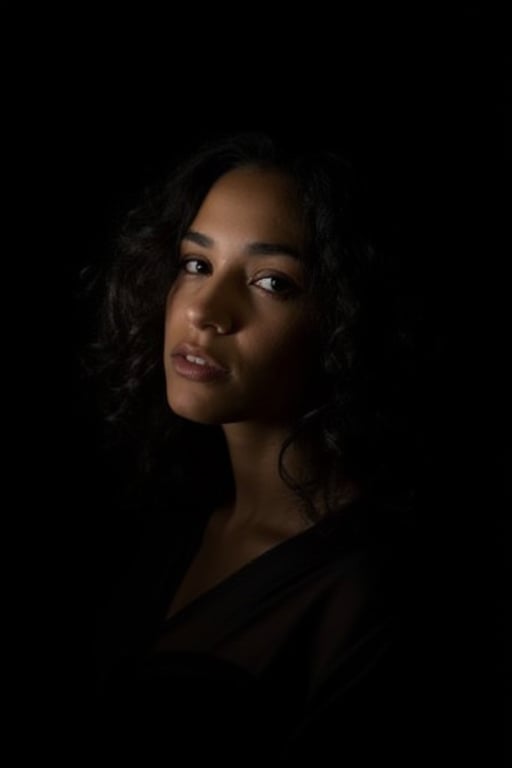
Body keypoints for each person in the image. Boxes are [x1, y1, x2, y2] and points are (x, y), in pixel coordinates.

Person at [88, 131, 471, 764]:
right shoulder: (154, 520)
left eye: (272, 281)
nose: (207, 311)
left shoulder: (374, 591)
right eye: (195, 264)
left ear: (348, 318)